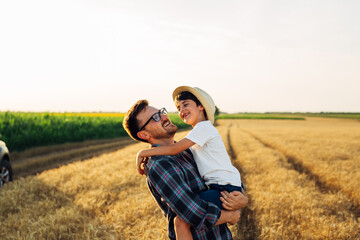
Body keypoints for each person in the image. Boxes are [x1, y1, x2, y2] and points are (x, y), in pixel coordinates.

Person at [123, 99, 248, 240]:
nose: (164, 116)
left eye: (161, 112)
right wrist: (229, 215)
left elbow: (220, 174)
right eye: (155, 117)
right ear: (144, 135)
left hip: (220, 236)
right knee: (180, 223)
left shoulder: (187, 151)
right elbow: (193, 212)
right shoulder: (159, 165)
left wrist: (241, 197)